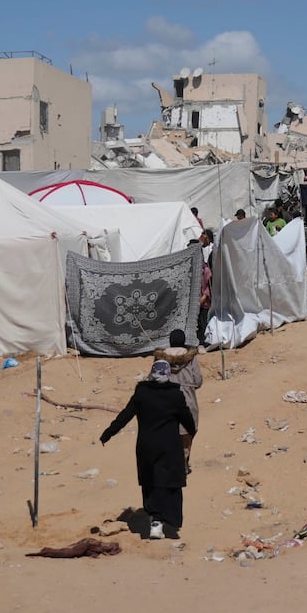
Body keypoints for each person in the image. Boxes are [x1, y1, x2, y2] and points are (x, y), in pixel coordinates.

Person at [100, 358, 196, 540]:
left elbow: (126, 414)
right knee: (170, 483)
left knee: (150, 483)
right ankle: (169, 522)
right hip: (170, 447)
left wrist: (108, 433)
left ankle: (155, 522)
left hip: (146, 446)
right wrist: (192, 431)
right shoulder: (175, 395)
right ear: (168, 375)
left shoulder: (142, 392)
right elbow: (187, 418)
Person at [164, 329, 202, 475]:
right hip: (187, 400)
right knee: (187, 434)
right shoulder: (190, 358)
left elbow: (153, 379)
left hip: (167, 400)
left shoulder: (161, 358)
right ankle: (184, 463)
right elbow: (197, 380)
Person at [196, 229, 215, 344]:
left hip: (205, 301)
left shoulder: (211, 249)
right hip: (198, 301)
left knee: (204, 321)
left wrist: (204, 297)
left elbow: (210, 284)